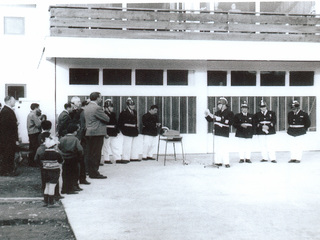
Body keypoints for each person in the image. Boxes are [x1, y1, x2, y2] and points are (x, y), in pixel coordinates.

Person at [84, 92, 109, 179]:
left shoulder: (86, 107)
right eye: (100, 97)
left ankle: (90, 171)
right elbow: (107, 118)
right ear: (97, 98)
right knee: (96, 153)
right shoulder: (97, 108)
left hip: (89, 132)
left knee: (90, 153)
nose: (101, 99)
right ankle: (94, 172)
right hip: (97, 133)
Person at [205, 97, 234, 168]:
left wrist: (220, 119)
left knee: (224, 148)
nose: (218, 106)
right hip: (217, 132)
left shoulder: (229, 112)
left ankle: (226, 162)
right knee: (218, 148)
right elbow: (211, 120)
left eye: (220, 104)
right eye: (218, 104)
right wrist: (207, 115)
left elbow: (230, 122)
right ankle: (218, 161)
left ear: (224, 105)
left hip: (224, 132)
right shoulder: (217, 112)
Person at [38, 137, 63, 208]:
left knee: (47, 186)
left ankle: (45, 201)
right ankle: (51, 202)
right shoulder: (57, 154)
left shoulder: (43, 154)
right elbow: (61, 161)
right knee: (52, 186)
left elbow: (40, 161)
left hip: (45, 171)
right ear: (54, 146)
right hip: (54, 171)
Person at [59, 124, 83, 194]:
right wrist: (80, 156)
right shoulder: (75, 139)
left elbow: (59, 147)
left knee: (65, 173)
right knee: (73, 173)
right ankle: (71, 188)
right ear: (74, 132)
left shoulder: (62, 138)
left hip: (65, 158)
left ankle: (64, 188)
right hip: (73, 157)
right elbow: (80, 149)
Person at [0, 96, 19, 176]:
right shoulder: (6, 111)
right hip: (8, 138)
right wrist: (15, 124)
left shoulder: (7, 110)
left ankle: (8, 170)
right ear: (8, 101)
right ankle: (6, 171)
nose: (15, 102)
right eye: (13, 100)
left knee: (9, 154)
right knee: (8, 154)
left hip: (8, 137)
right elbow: (4, 126)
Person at [118, 97, 140, 163]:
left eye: (133, 105)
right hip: (127, 131)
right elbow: (121, 123)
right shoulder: (124, 112)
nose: (133, 106)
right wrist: (123, 131)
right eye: (131, 105)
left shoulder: (134, 112)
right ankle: (125, 158)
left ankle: (134, 157)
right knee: (127, 145)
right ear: (128, 105)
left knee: (134, 145)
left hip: (134, 131)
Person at [101, 99, 121, 164]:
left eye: (112, 107)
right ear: (106, 108)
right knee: (106, 146)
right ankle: (106, 159)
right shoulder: (103, 114)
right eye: (110, 107)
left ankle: (117, 158)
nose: (112, 108)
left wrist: (117, 131)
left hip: (113, 132)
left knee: (115, 146)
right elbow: (103, 124)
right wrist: (105, 133)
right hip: (107, 132)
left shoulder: (113, 114)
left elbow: (115, 123)